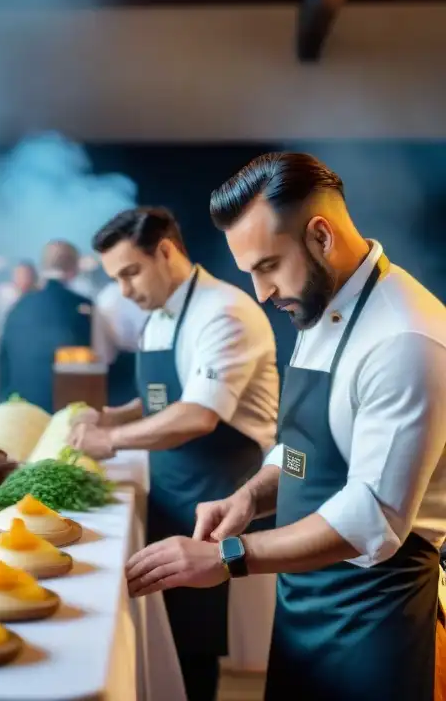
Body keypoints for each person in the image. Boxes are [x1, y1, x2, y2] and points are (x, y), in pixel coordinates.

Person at [124, 153, 446, 701]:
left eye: (268, 265)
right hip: (304, 601)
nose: (260, 292)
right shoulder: (319, 302)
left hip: (375, 619)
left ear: (320, 235)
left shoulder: (407, 340)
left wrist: (228, 557)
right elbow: (302, 447)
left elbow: (372, 520)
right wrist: (249, 497)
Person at [72, 207, 280, 701]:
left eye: (130, 272)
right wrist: (112, 415)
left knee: (198, 631)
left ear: (165, 251)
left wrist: (110, 441)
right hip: (173, 480)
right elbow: (164, 396)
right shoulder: (160, 314)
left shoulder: (223, 311)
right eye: (115, 278)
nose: (124, 290)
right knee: (175, 621)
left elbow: (196, 415)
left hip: (221, 485)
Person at [0, 241, 94, 411]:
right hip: (66, 414)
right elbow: (101, 362)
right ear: (75, 267)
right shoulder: (84, 308)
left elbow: (2, 362)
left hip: (18, 410)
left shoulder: (17, 307)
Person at [93, 278, 149, 406]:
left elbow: (104, 355)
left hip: (117, 371)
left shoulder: (106, 296)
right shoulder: (150, 293)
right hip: (143, 362)